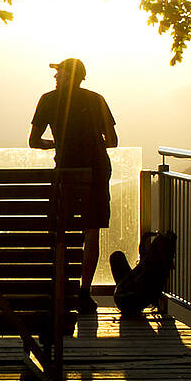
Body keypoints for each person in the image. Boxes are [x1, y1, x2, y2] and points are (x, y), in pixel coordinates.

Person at [29, 58, 117, 312]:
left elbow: (34, 141)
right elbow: (112, 140)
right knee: (92, 231)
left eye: (59, 74)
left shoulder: (47, 100)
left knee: (62, 229)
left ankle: (61, 288)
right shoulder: (97, 99)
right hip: (98, 170)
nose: (55, 78)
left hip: (66, 172)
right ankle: (84, 292)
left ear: (70, 76)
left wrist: (58, 144)